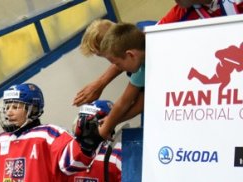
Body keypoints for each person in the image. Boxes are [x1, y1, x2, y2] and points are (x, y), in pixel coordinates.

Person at [73, 2, 243, 106]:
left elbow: (132, 98)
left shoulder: (147, 38)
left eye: (110, 58)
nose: (112, 62)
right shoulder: (138, 47)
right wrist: (100, 83)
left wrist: (101, 84)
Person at [96, 23, 145, 139]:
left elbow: (130, 103)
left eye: (117, 63)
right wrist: (109, 122)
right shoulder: (141, 67)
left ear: (130, 55)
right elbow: (125, 101)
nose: (118, 68)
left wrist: (107, 127)